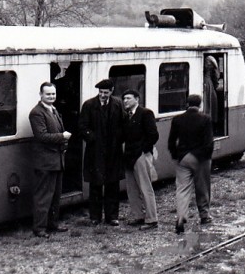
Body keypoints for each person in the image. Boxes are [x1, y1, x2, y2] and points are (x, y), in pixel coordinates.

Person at [78, 79, 125, 226]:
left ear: (111, 91)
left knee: (112, 184)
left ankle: (112, 216)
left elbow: (123, 124)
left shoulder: (118, 104)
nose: (103, 95)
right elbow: (82, 126)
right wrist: (92, 138)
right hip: (95, 151)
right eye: (101, 92)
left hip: (113, 151)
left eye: (106, 92)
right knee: (96, 185)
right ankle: (95, 217)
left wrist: (117, 139)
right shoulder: (89, 105)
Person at [28, 82, 72, 238]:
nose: (51, 97)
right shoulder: (37, 113)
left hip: (56, 160)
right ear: (41, 95)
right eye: (48, 94)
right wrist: (62, 136)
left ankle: (52, 224)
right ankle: (39, 228)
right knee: (43, 196)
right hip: (45, 162)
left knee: (55, 195)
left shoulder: (53, 110)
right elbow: (42, 136)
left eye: (53, 94)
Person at [168, 94, 214, 235]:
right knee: (202, 187)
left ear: (187, 104)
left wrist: (177, 155)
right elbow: (209, 143)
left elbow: (171, 142)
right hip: (200, 159)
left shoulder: (177, 119)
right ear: (200, 104)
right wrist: (205, 157)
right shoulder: (205, 119)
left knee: (182, 189)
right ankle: (204, 216)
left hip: (183, 158)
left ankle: (181, 217)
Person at [121, 89, 159, 230]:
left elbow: (153, 135)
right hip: (129, 155)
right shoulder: (127, 116)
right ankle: (139, 216)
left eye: (128, 98)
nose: (125, 101)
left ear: (137, 99)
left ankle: (151, 219)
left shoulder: (145, 113)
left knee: (145, 187)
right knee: (132, 189)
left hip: (140, 155)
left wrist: (144, 150)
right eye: (124, 98)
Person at [203, 55, 220, 127]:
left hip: (206, 83)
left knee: (207, 102)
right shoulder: (212, 60)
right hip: (209, 84)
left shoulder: (206, 61)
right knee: (211, 102)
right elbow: (217, 77)